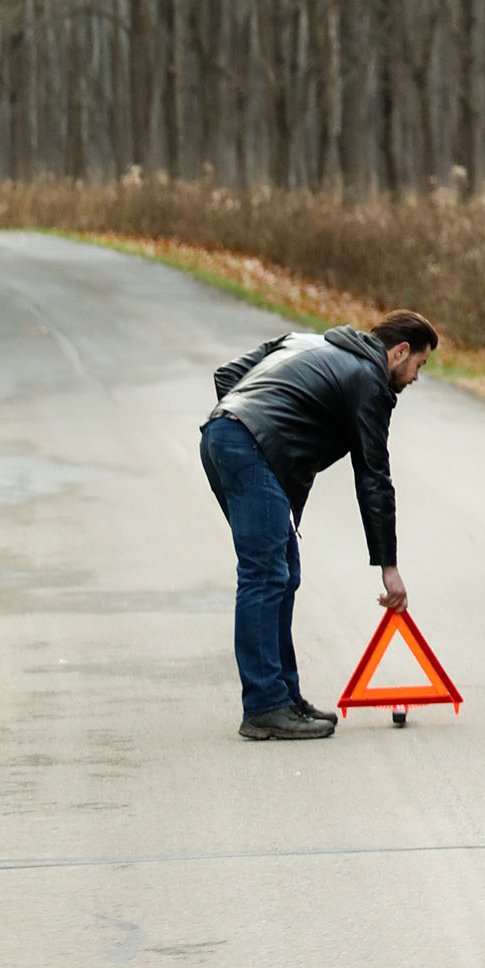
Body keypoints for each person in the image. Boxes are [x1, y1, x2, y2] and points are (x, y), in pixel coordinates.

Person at [200, 309, 439, 740]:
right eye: (419, 365)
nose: (416, 377)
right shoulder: (370, 382)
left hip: (227, 436)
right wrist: (388, 565)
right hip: (246, 447)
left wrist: (246, 427)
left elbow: (228, 376)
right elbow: (373, 476)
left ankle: (284, 696)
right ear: (400, 351)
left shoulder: (309, 340)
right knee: (265, 574)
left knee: (282, 572)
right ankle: (263, 706)